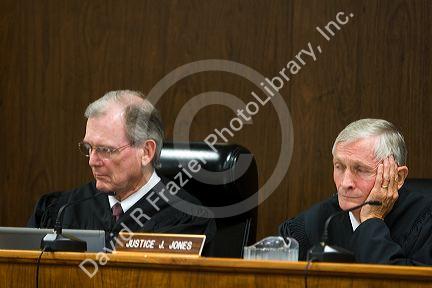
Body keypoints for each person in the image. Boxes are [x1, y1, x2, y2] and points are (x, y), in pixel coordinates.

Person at [28, 90, 216, 250]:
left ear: (146, 152)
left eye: (105, 150)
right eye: (89, 148)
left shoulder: (186, 221)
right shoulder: (61, 209)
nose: (92, 161)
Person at [279, 118, 432, 265]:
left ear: (397, 177)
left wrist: (372, 219)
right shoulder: (316, 221)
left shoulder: (426, 221)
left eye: (360, 170)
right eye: (339, 166)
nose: (345, 183)